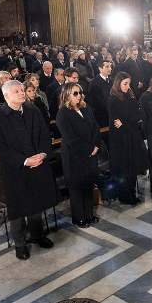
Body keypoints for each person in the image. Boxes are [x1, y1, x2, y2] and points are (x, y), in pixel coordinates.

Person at [0, 80, 56, 260]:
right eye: (17, 91)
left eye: (22, 90)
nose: (22, 93)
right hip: (15, 169)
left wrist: (42, 154)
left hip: (38, 163)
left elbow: (44, 134)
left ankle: (37, 235)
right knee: (17, 209)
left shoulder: (33, 111)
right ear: (6, 95)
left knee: (36, 203)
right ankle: (20, 244)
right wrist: (25, 160)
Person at [56, 82, 101, 228]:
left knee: (88, 184)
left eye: (80, 92)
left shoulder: (86, 108)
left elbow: (95, 127)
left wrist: (95, 146)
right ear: (66, 95)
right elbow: (70, 138)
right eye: (75, 93)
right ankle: (79, 217)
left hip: (91, 152)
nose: (79, 96)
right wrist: (89, 149)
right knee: (76, 187)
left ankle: (89, 214)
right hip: (74, 156)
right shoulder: (62, 113)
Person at [108, 72, 148, 204]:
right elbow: (117, 123)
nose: (127, 86)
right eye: (125, 84)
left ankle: (132, 193)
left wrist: (125, 121)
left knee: (132, 168)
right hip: (120, 140)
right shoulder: (113, 99)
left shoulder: (130, 96)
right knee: (124, 169)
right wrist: (128, 121)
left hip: (132, 136)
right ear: (118, 83)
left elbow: (137, 115)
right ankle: (125, 196)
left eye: (129, 84)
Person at [88, 60, 113, 127]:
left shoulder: (112, 81)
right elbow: (92, 102)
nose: (110, 68)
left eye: (110, 66)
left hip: (112, 114)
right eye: (107, 66)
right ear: (100, 68)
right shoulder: (94, 83)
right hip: (102, 117)